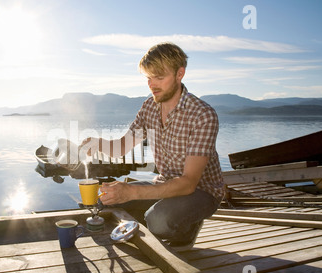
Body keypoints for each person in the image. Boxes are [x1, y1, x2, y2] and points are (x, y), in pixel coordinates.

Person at [80, 42, 224, 249]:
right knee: (106, 201)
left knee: (158, 219)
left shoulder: (203, 115)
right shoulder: (150, 107)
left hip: (202, 192)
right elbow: (122, 147)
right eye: (148, 77)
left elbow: (188, 183)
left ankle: (186, 227)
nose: (152, 84)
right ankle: (159, 218)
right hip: (164, 183)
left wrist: (131, 192)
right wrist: (98, 143)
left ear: (179, 74)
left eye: (159, 77)